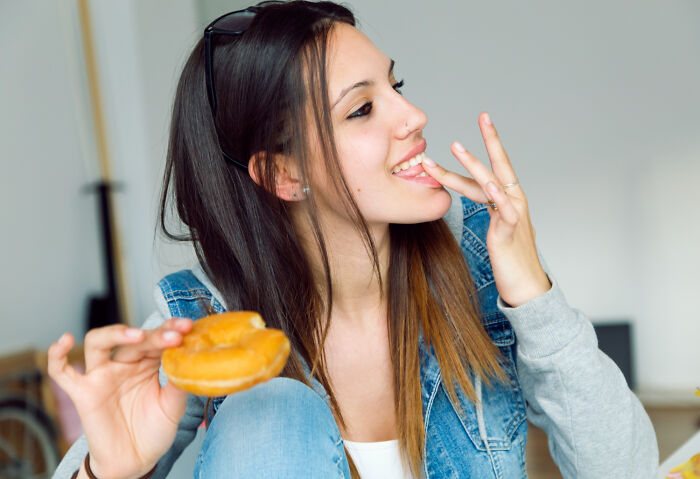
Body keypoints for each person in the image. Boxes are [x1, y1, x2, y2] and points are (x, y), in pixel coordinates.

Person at [49, 1, 658, 478]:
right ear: (284, 174)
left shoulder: (481, 259)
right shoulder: (204, 324)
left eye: (396, 85)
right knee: (272, 407)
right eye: (362, 110)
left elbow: (627, 471)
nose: (412, 115)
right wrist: (108, 473)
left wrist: (534, 296)